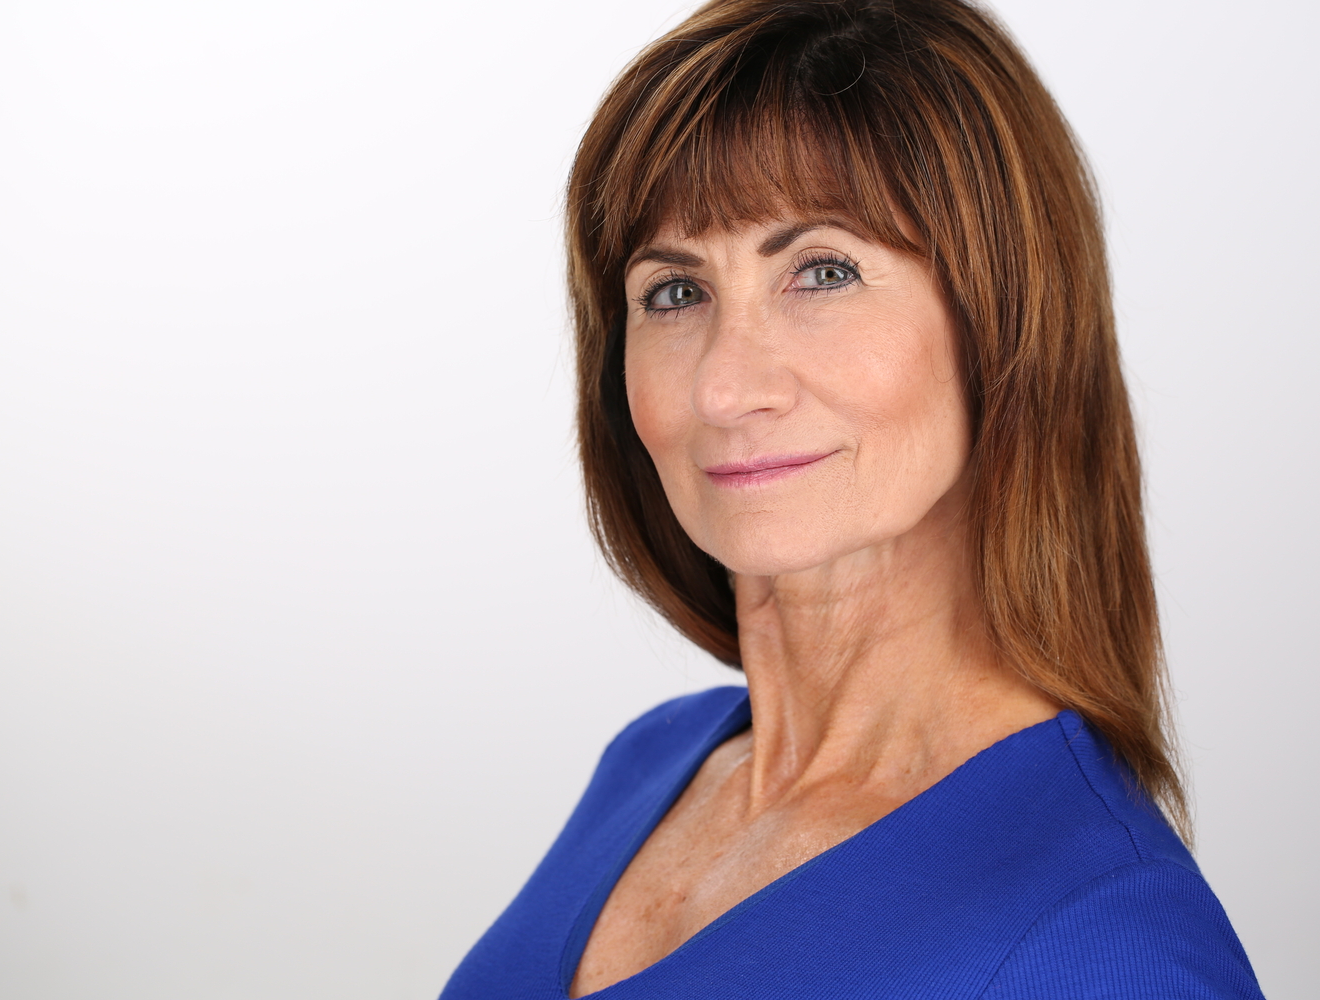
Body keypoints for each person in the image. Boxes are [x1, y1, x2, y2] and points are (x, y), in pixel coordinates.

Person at [442, 0, 1265, 996]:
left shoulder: (1103, 941)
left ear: (1003, 321)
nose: (723, 388)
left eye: (823, 272)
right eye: (675, 291)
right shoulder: (651, 763)